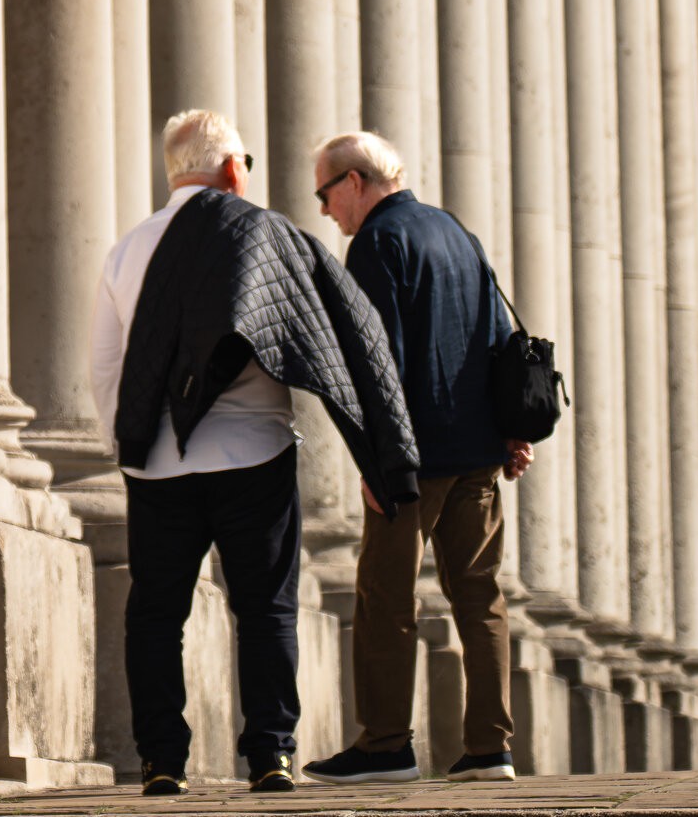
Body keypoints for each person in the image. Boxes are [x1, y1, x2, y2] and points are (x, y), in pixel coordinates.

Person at [90, 110, 420, 796]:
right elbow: (340, 335)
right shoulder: (270, 238)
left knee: (156, 613)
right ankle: (270, 752)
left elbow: (107, 367)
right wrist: (382, 451)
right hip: (255, 454)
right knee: (265, 608)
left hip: (158, 465)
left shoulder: (127, 250)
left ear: (174, 170)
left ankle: (161, 760)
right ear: (234, 168)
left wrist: (129, 451)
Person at [301, 132, 530, 785]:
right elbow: (498, 339)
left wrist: (380, 462)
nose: (325, 211)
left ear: (353, 181)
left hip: (413, 462)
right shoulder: (458, 233)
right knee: (481, 598)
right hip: (479, 457)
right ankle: (491, 749)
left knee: (384, 598)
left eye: (325, 193)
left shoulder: (377, 242)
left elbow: (380, 363)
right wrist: (512, 434)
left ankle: (384, 746)